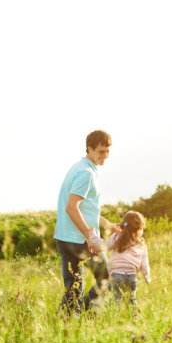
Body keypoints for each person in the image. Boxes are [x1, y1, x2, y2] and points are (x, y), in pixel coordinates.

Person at [54, 130, 120, 314]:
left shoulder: (79, 167)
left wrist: (107, 225)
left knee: (74, 286)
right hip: (78, 239)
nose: (104, 156)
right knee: (106, 276)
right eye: (100, 151)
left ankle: (66, 319)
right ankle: (84, 313)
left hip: (64, 237)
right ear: (89, 149)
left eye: (107, 151)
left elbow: (86, 208)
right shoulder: (86, 174)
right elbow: (71, 207)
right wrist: (90, 236)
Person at [106, 211, 151, 306]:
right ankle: (135, 317)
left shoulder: (116, 237)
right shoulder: (141, 243)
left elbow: (105, 247)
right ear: (140, 228)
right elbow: (144, 262)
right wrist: (147, 276)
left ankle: (116, 318)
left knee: (116, 300)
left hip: (116, 275)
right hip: (132, 276)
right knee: (132, 300)